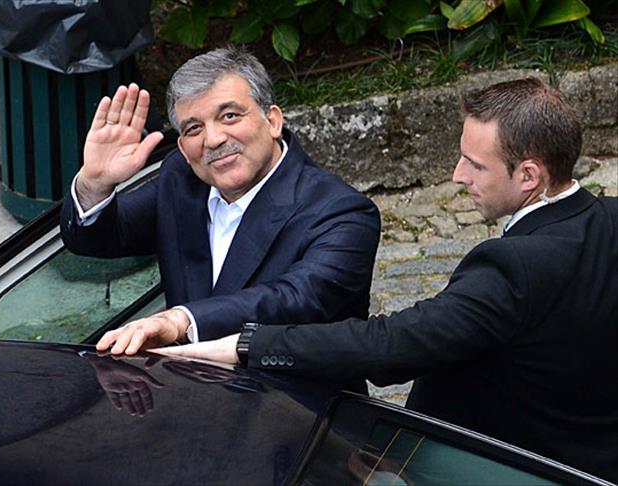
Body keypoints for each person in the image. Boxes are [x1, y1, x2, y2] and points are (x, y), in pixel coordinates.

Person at [160, 78, 618, 482]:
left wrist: (247, 346)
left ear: (529, 175)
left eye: (474, 164)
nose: (458, 176)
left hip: (519, 462)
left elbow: (392, 344)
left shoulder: (515, 267)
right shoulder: (608, 216)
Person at [61, 47, 380, 356]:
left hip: (289, 389)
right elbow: (95, 239)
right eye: (194, 128)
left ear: (272, 121)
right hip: (186, 385)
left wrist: (181, 321)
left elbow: (296, 299)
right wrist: (96, 182)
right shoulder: (180, 179)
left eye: (229, 116)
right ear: (183, 149)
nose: (213, 140)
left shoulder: (342, 212)